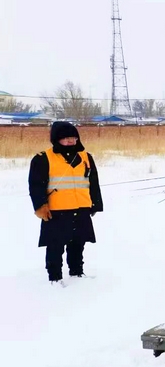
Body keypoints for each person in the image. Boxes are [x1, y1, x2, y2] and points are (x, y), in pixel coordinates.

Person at [28, 121, 103, 285]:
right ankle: (55, 277)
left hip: (81, 207)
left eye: (73, 138)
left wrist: (95, 203)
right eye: (66, 138)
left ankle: (77, 272)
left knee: (78, 242)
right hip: (56, 211)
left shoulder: (85, 157)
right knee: (55, 245)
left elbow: (93, 182)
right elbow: (36, 185)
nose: (70, 141)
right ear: (56, 139)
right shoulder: (43, 158)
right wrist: (41, 206)